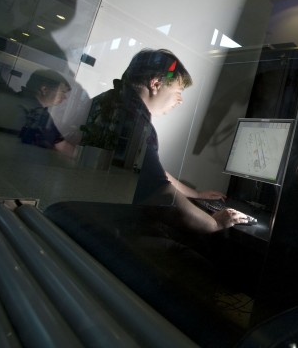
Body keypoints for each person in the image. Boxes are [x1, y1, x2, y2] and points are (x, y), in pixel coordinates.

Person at [96, 48, 249, 232]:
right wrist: (214, 223)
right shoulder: (137, 125)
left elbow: (151, 172)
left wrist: (196, 194)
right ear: (156, 83)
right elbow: (161, 193)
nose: (180, 100)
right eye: (178, 90)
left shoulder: (108, 102)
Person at [17, 69, 77, 157]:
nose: (65, 97)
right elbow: (63, 146)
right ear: (44, 89)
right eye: (62, 92)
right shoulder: (38, 113)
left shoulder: (23, 101)